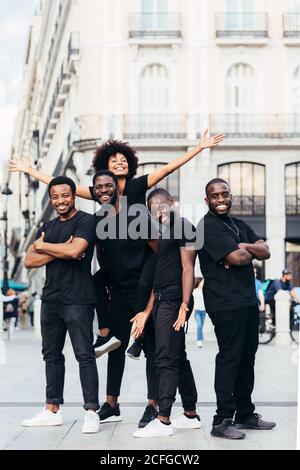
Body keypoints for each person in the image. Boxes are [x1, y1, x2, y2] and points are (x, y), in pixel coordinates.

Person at [8, 133, 225, 350]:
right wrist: (30, 171)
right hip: (118, 259)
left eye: (123, 160)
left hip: (143, 252)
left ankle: (140, 336)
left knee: (142, 285)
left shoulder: (138, 185)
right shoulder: (103, 191)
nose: (119, 163)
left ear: (129, 165)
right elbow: (65, 188)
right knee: (96, 280)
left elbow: (168, 169)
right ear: (106, 168)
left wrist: (199, 147)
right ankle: (104, 334)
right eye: (114, 161)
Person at [198, 178, 276, 440]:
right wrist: (244, 250)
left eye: (225, 194)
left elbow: (265, 251)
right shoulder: (207, 227)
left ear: (231, 196)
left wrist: (245, 246)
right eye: (215, 196)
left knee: (247, 358)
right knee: (230, 358)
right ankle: (221, 420)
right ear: (206, 200)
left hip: (246, 300)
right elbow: (237, 258)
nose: (220, 199)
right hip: (224, 302)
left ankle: (244, 413)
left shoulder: (239, 225)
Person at [22, 176, 100, 434]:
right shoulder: (48, 225)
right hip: (51, 299)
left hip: (78, 298)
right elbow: (29, 261)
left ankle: (91, 412)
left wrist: (44, 246)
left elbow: (75, 251)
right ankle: (51, 409)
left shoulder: (86, 221)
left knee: (84, 355)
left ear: (73, 195)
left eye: (65, 195)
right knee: (51, 355)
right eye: (55, 197)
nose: (60, 201)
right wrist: (58, 248)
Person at [93, 170, 160, 427]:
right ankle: (111, 404)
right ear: (94, 190)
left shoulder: (137, 215)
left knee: (152, 350)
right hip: (119, 292)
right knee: (115, 348)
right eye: (98, 187)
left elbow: (158, 250)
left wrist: (153, 290)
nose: (104, 190)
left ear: (117, 188)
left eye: (108, 185)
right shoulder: (100, 219)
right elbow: (102, 253)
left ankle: (152, 405)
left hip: (143, 289)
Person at [133, 188, 200, 438]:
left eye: (161, 205)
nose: (158, 212)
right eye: (153, 209)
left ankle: (163, 420)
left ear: (172, 202)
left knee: (165, 358)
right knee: (178, 357)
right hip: (163, 298)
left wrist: (184, 304)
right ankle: (191, 414)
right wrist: (147, 311)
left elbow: (187, 268)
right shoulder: (166, 233)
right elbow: (158, 279)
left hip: (174, 300)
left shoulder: (184, 226)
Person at [193, 278, 206, 348]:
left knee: (201, 327)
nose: (203, 283)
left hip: (203, 311)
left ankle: (200, 338)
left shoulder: (204, 291)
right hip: (197, 311)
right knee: (199, 326)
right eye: (202, 282)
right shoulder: (194, 291)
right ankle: (199, 341)